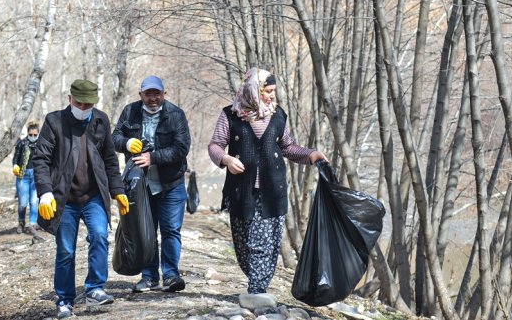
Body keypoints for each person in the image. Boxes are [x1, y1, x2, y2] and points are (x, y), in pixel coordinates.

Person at [207, 68, 327, 295]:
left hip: (272, 191)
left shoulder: (278, 115)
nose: (272, 96)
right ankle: (256, 280)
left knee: (262, 244)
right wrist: (226, 159)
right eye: (267, 91)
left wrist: (311, 155)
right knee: (243, 246)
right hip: (240, 191)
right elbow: (215, 145)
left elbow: (288, 147)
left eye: (273, 91)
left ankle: (257, 292)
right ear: (254, 90)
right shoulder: (230, 115)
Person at [32, 79, 130, 319]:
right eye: (79, 103)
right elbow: (40, 158)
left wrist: (117, 190)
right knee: (65, 250)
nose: (83, 108)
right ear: (70, 99)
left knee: (99, 236)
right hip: (64, 199)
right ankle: (64, 300)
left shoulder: (100, 120)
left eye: (88, 104)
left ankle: (95, 289)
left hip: (94, 195)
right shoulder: (54, 121)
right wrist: (45, 192)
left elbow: (109, 158)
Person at [112, 75, 191, 293]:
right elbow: (115, 138)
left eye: (157, 93)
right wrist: (127, 142)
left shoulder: (175, 115)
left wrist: (153, 157)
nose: (153, 98)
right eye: (148, 94)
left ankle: (171, 275)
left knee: (171, 230)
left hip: (171, 183)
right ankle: (149, 277)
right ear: (141, 95)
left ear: (164, 94)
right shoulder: (130, 111)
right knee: (145, 230)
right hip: (141, 186)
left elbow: (182, 148)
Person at [12, 121, 40, 235]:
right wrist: (15, 165)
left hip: (37, 175)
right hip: (23, 175)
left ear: (38, 134)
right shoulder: (22, 143)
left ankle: (32, 224)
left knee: (34, 201)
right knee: (23, 203)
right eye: (31, 135)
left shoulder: (42, 143)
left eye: (35, 135)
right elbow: (16, 157)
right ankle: (21, 222)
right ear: (28, 133)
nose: (32, 137)